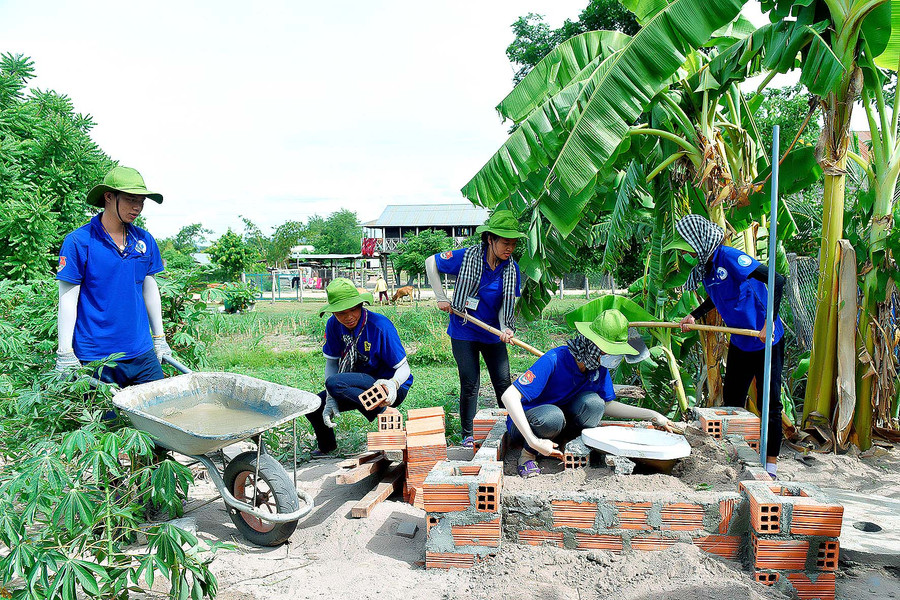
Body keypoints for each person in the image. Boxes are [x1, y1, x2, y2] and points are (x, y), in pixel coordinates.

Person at [667, 214, 786, 480]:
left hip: (767, 342)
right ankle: (734, 457)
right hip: (741, 343)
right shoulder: (706, 269)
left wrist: (769, 322)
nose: (685, 252)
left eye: (687, 246)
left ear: (700, 243)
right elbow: (717, 296)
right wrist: (694, 316)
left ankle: (771, 467)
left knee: (771, 404)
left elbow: (777, 280)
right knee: (733, 402)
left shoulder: (729, 257)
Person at [501, 310, 676, 477]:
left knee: (594, 403)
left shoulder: (597, 367)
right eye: (610, 351)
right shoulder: (555, 359)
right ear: (593, 345)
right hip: (528, 425)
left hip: (560, 426)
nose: (613, 357)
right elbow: (509, 396)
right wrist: (533, 441)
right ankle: (527, 455)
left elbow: (607, 404)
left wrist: (652, 415)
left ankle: (568, 446)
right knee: (552, 417)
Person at [55, 166, 172, 387]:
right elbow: (67, 298)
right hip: (97, 357)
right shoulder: (79, 242)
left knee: (157, 415)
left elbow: (150, 288)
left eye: (141, 201)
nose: (137, 207)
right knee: (108, 421)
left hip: (142, 352)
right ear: (109, 197)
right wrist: (65, 352)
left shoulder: (144, 240)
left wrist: (159, 338)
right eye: (130, 199)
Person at [425, 210, 524, 448]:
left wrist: (504, 328)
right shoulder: (467, 257)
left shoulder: (512, 270)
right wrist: (440, 296)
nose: (509, 248)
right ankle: (468, 435)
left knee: (503, 383)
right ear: (490, 239)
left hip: (491, 335)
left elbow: (506, 304)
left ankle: (509, 428)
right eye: (504, 242)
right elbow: (431, 262)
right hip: (464, 330)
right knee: (470, 383)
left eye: (513, 243)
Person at [305, 278, 413, 457]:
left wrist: (392, 384)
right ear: (333, 313)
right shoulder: (333, 325)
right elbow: (332, 362)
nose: (348, 317)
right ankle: (327, 447)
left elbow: (404, 369)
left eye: (353, 309)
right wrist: (331, 398)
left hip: (389, 387)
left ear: (361, 305)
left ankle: (385, 411)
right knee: (316, 405)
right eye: (341, 313)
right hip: (355, 385)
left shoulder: (379, 326)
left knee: (334, 384)